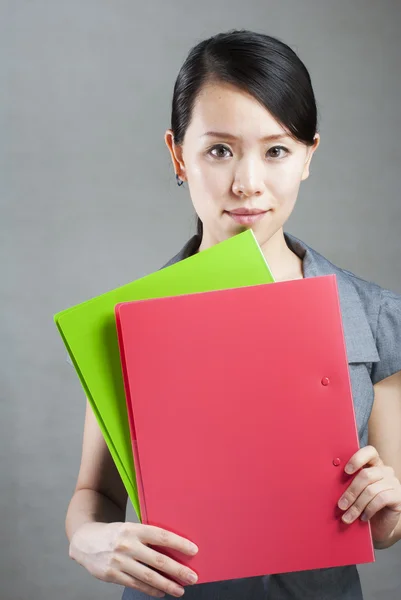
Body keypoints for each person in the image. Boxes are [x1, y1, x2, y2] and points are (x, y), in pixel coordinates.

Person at [65, 30, 401, 600]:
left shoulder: (376, 316)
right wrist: (87, 538)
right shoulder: (127, 322)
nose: (248, 184)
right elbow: (93, 494)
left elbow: (384, 525)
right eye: (219, 150)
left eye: (277, 151)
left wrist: (390, 501)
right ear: (178, 154)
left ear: (307, 157)